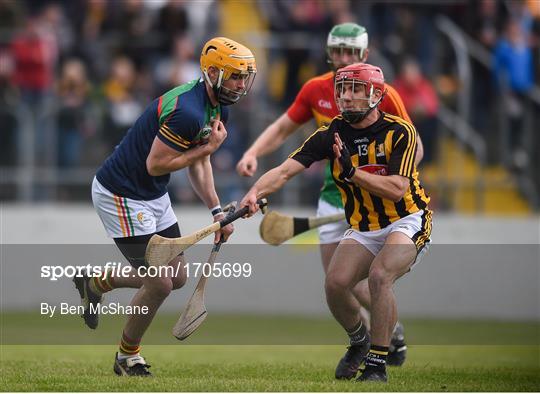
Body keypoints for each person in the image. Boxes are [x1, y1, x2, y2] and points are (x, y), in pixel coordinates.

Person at [236, 22, 421, 376]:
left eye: (355, 89)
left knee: (379, 277)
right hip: (345, 204)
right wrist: (255, 190)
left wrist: (388, 173)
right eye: (343, 89)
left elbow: (403, 174)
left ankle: (380, 353)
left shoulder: (395, 118)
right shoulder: (328, 123)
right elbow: (286, 162)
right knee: (338, 283)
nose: (347, 95)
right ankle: (362, 339)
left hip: (397, 211)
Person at [74, 37, 256, 376]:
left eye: (245, 77)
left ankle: (95, 284)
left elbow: (199, 164)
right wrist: (205, 150)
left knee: (178, 277)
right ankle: (127, 357)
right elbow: (156, 165)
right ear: (213, 72)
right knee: (159, 283)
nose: (241, 84)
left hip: (152, 194)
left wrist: (217, 211)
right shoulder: (187, 110)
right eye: (235, 76)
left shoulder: (218, 106)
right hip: (121, 194)